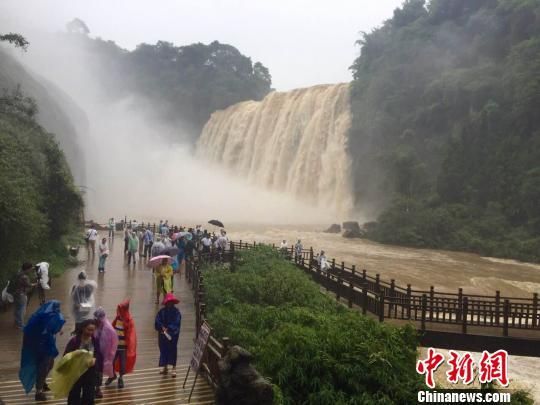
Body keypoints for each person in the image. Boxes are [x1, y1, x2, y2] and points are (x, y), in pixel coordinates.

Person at [19, 300, 65, 402]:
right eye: (56, 308)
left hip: (46, 346)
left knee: (49, 365)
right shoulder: (42, 318)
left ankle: (41, 383)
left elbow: (55, 327)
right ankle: (39, 391)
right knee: (43, 367)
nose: (58, 310)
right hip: (43, 347)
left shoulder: (45, 316)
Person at [64, 319, 102, 405]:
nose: (91, 332)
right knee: (74, 394)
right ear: (83, 328)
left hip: (90, 371)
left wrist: (95, 359)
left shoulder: (95, 340)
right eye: (89, 330)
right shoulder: (74, 341)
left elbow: (98, 354)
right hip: (76, 371)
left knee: (89, 394)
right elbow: (66, 356)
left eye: (93, 330)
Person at [106, 300, 137, 389]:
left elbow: (131, 335)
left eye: (121, 309)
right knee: (110, 362)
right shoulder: (117, 318)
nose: (119, 311)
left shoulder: (129, 320)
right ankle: (112, 376)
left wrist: (130, 347)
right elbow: (112, 329)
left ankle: (120, 378)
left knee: (123, 364)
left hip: (123, 348)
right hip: (115, 346)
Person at [155, 293, 181, 377]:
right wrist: (162, 327)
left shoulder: (176, 312)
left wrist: (169, 328)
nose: (169, 303)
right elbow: (157, 321)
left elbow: (177, 322)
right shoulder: (161, 312)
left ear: (173, 302)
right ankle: (165, 366)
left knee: (173, 349)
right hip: (163, 335)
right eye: (168, 302)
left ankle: (174, 367)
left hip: (172, 335)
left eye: (171, 302)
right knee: (163, 350)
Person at [93, 308, 118, 399]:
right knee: (93, 372)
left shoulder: (108, 329)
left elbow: (113, 344)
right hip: (93, 352)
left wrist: (109, 357)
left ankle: (98, 389)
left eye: (97, 320)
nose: (96, 321)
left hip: (101, 355)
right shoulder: (95, 326)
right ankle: (94, 388)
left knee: (98, 372)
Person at [12, 262, 36, 328]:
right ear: (27, 269)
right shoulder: (24, 276)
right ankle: (21, 325)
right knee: (22, 310)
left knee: (17, 309)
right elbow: (28, 285)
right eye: (30, 269)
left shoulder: (18, 273)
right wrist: (35, 284)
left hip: (15, 293)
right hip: (21, 294)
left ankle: (16, 323)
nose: (31, 270)